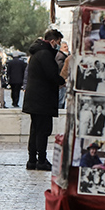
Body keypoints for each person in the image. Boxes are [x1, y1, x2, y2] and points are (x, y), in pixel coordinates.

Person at [23, 30, 66, 171]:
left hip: (34, 98)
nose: (58, 46)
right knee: (43, 130)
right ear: (53, 41)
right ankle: (41, 160)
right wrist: (62, 81)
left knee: (35, 129)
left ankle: (32, 160)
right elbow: (52, 75)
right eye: (58, 43)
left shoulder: (37, 53)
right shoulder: (45, 54)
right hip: (43, 99)